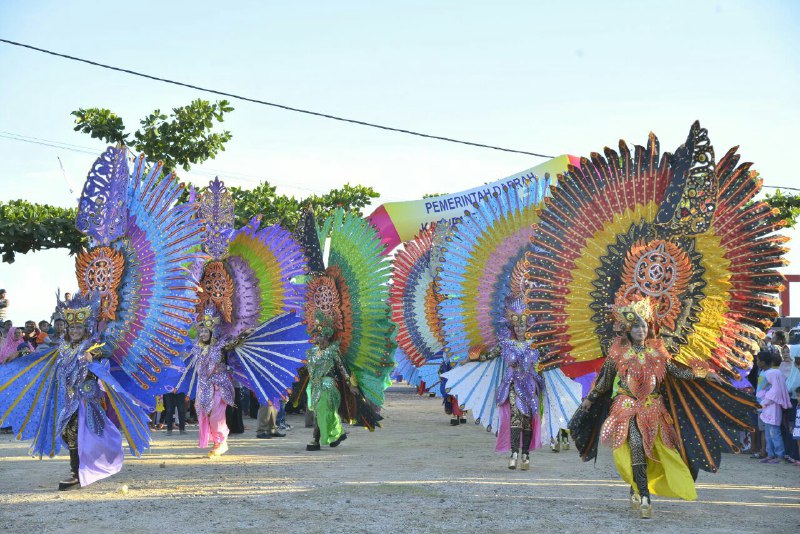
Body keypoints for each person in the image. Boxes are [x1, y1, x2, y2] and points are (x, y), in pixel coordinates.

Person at [578, 299, 728, 517]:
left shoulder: (658, 353)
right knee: (636, 444)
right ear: (628, 330)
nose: (641, 330)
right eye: (636, 326)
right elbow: (604, 381)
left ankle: (636, 487)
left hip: (653, 409)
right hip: (626, 406)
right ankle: (646, 497)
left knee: (651, 453)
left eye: (643, 326)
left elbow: (679, 373)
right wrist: (589, 399)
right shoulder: (616, 354)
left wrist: (705, 374)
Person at [759, 351, 792, 464]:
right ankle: (770, 454)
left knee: (775, 434)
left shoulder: (775, 390)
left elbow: (768, 398)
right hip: (768, 414)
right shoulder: (772, 387)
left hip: (773, 414)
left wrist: (763, 401)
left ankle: (780, 455)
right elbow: (763, 394)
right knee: (768, 434)